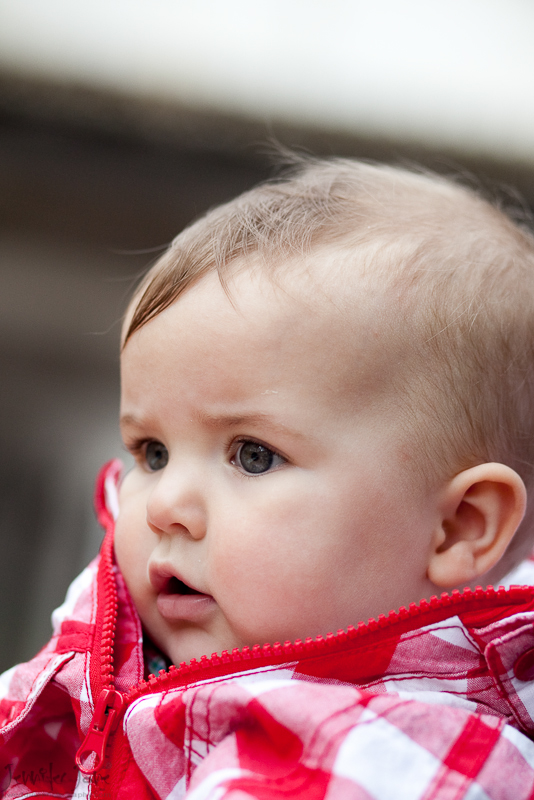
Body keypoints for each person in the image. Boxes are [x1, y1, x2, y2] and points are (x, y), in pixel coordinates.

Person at [2, 156, 534, 800]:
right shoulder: (100, 659)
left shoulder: (399, 762)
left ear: (458, 527)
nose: (164, 505)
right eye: (152, 452)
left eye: (253, 455)